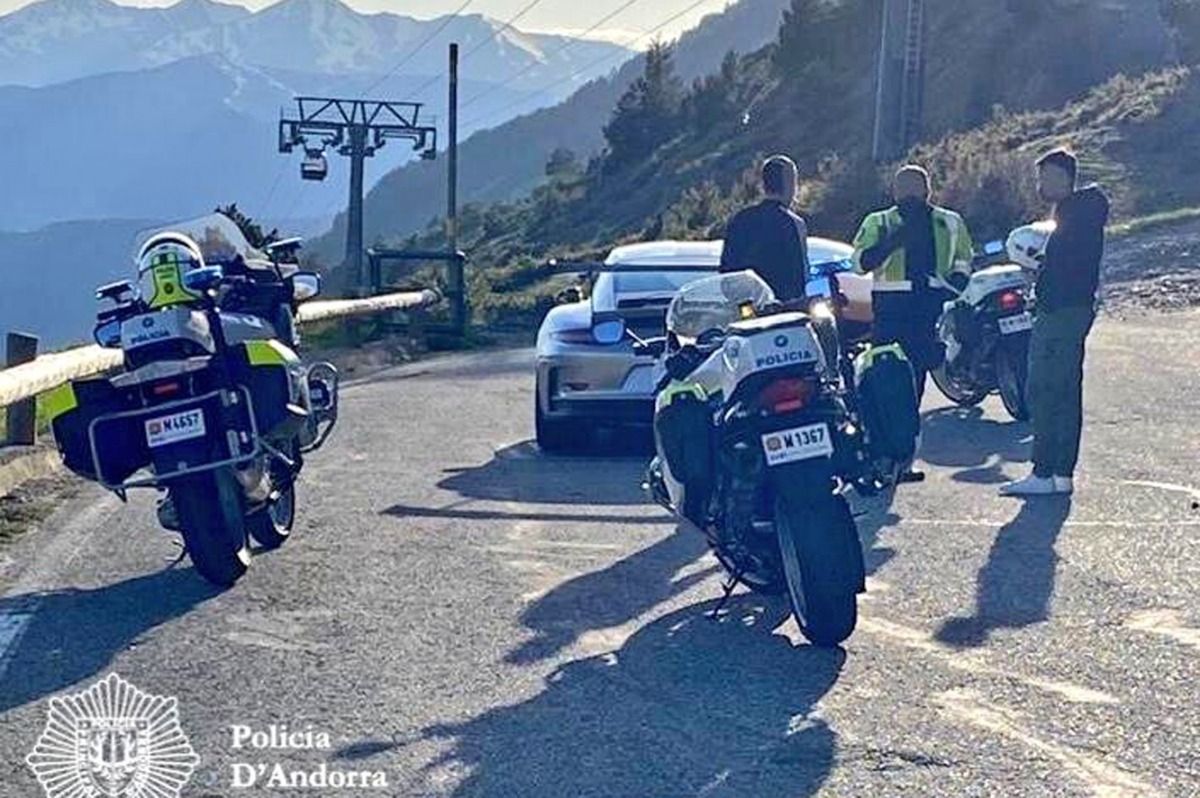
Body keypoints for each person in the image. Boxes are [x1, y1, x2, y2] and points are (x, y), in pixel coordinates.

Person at [1001, 149, 1109, 497]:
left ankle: (1046, 470)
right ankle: (1058, 472)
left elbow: (1065, 265)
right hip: (1067, 308)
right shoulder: (1078, 212)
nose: (1041, 185)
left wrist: (1039, 267)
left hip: (1062, 310)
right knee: (1061, 388)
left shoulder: (1076, 212)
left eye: (1046, 177)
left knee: (1047, 389)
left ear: (1064, 177)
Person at [851, 165, 974, 402]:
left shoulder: (949, 221)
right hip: (891, 312)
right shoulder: (879, 222)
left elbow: (964, 259)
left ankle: (907, 429)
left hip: (930, 307)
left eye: (913, 189)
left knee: (915, 376)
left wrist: (956, 283)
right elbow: (859, 263)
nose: (908, 195)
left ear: (927, 191)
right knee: (888, 375)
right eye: (903, 189)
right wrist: (890, 243)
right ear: (894, 193)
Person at [720, 155, 811, 301]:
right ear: (791, 185)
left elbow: (727, 273)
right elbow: (799, 279)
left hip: (746, 308)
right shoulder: (793, 223)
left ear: (764, 184)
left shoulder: (740, 219)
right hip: (781, 311)